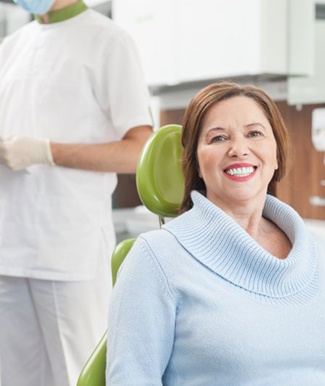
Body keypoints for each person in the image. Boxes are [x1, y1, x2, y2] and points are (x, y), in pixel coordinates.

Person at [106, 81, 325, 385]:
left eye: (255, 133)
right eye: (219, 138)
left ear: (276, 155)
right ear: (195, 162)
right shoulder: (156, 258)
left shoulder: (319, 252)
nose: (238, 149)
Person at [0, 0, 153, 385]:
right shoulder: (10, 48)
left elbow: (139, 151)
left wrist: (47, 152)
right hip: (8, 253)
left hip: (69, 255)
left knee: (80, 376)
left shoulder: (109, 42)